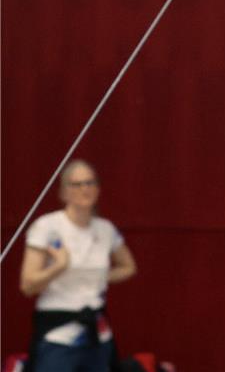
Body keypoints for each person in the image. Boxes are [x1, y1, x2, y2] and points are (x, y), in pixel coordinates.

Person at [20, 159, 137, 372]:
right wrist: (60, 266)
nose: (85, 189)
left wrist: (103, 277)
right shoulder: (47, 227)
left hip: (96, 332)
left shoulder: (106, 229)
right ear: (64, 191)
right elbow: (27, 285)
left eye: (90, 183)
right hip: (58, 334)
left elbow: (128, 267)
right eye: (77, 184)